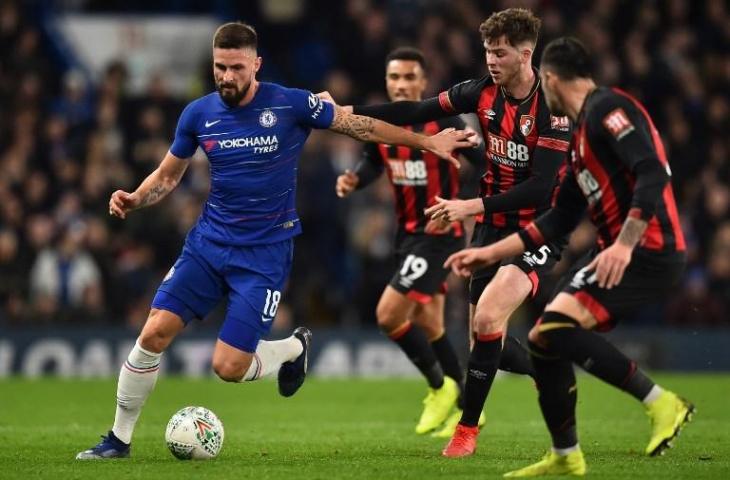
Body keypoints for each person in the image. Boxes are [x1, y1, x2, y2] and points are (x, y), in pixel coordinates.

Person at [76, 21, 475, 460]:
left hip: (264, 255)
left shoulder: (291, 103)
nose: (226, 76)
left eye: (236, 67)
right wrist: (134, 198)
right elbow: (170, 175)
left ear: (256, 64)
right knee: (153, 332)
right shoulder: (197, 113)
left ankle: (292, 347)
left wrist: (425, 142)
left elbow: (362, 125)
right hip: (207, 246)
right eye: (219, 67)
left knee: (227, 367)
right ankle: (117, 440)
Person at [322, 8, 572, 446]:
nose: (491, 60)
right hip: (492, 226)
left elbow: (541, 187)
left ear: (526, 54)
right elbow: (416, 110)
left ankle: (465, 429)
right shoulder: (479, 93)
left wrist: (469, 204)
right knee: (483, 335)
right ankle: (544, 367)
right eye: (487, 52)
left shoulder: (553, 106)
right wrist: (345, 111)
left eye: (499, 53)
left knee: (490, 314)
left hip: (539, 227)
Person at [445, 37, 694, 476]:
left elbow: (653, 170)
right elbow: (558, 220)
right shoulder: (579, 139)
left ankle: (663, 404)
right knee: (544, 338)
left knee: (554, 328)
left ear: (552, 79)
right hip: (613, 251)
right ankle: (566, 454)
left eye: (545, 81)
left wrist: (625, 243)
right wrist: (487, 253)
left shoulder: (608, 109)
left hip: (648, 248)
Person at [336, 47, 486, 436]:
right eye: (394, 78)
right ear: (387, 82)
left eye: (408, 78)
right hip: (407, 234)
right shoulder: (380, 122)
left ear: (423, 82)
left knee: (388, 314)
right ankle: (468, 405)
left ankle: (439, 387)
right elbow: (373, 159)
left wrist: (462, 207)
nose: (401, 85)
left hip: (439, 235)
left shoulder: (446, 121)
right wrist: (355, 177)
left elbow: (482, 168)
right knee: (429, 322)